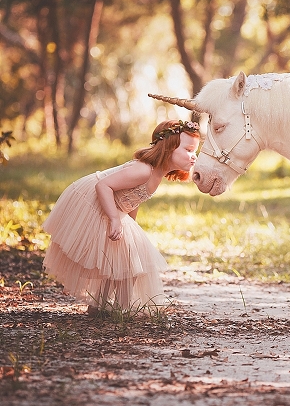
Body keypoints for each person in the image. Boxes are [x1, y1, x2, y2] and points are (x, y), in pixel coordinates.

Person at [43, 120, 200, 314]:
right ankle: (115, 308)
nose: (194, 157)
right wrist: (115, 219)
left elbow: (133, 198)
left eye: (195, 152)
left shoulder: (157, 174)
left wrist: (129, 227)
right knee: (129, 260)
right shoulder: (144, 170)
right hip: (92, 201)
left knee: (126, 257)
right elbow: (103, 186)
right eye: (189, 150)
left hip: (114, 207)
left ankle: (104, 306)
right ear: (169, 147)